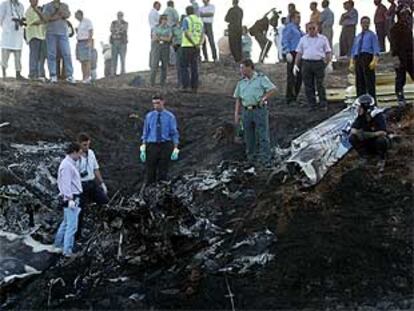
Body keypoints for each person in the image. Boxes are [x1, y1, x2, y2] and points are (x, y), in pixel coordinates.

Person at [233, 59, 277, 166]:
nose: (241, 70)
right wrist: (236, 114)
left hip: (259, 110)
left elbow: (273, 89)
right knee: (248, 135)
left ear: (249, 67)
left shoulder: (261, 79)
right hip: (246, 111)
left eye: (243, 67)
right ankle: (251, 157)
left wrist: (264, 98)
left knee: (263, 134)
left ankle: (265, 158)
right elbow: (238, 99)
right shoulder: (241, 82)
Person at [140, 95, 180, 184]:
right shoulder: (149, 116)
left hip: (164, 145)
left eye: (158, 103)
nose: (156, 105)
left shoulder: (170, 116)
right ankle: (150, 189)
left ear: (163, 102)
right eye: (154, 103)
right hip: (152, 145)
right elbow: (145, 132)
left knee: (163, 169)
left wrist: (176, 148)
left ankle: (161, 189)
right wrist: (143, 147)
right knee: (150, 170)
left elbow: (174, 132)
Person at [75, 133, 108, 238]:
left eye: (88, 144)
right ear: (79, 144)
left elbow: (96, 168)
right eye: (84, 145)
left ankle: (104, 226)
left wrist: (102, 183)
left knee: (105, 201)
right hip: (80, 185)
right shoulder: (75, 156)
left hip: (91, 182)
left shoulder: (91, 153)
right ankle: (77, 235)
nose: (87, 147)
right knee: (79, 211)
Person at [294, 21, 332, 111]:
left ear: (317, 28)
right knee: (308, 85)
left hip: (319, 63)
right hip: (306, 63)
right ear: (307, 29)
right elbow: (299, 53)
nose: (311, 30)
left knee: (320, 84)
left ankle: (323, 104)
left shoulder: (323, 39)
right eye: (309, 29)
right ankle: (312, 105)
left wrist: (328, 63)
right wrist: (296, 64)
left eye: (313, 28)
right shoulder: (303, 39)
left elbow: (328, 52)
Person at [54, 142, 83, 258]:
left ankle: (58, 245)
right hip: (72, 197)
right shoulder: (66, 165)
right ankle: (67, 251)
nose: (80, 156)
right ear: (74, 152)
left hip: (71, 196)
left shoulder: (68, 164)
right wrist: (70, 198)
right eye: (79, 153)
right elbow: (66, 183)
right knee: (72, 225)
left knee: (66, 223)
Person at [349, 94, 389, 172]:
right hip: (367, 143)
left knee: (381, 140)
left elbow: (383, 132)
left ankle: (381, 159)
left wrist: (367, 135)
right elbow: (353, 129)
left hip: (376, 143)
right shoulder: (361, 116)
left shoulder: (378, 116)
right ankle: (364, 156)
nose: (357, 109)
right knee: (352, 138)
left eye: (359, 107)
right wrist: (358, 133)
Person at [41, 0, 74, 83]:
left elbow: (68, 14)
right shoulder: (47, 6)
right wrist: (57, 16)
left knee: (67, 53)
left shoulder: (64, 5)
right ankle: (53, 75)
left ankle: (70, 75)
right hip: (51, 33)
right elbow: (45, 18)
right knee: (51, 54)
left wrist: (58, 15)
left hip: (63, 33)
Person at [349, 16, 380, 101]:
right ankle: (360, 102)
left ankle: (372, 101)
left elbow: (376, 48)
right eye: (363, 22)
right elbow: (353, 50)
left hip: (367, 57)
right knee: (359, 81)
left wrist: (374, 60)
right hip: (358, 58)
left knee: (369, 82)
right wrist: (351, 62)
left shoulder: (372, 35)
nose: (365, 24)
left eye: (367, 22)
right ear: (361, 24)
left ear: (369, 24)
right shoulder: (358, 36)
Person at [389, 5, 414, 106]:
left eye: (407, 14)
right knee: (400, 78)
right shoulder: (394, 28)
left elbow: (411, 43)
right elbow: (393, 45)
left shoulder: (408, 27)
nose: (406, 16)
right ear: (399, 15)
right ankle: (400, 98)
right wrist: (395, 58)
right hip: (400, 57)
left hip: (410, 56)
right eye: (403, 14)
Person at [282, 11, 304, 105]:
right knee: (291, 75)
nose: (299, 19)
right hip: (292, 52)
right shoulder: (289, 28)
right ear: (292, 18)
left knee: (299, 76)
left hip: (300, 53)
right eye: (297, 17)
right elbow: (285, 40)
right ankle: (290, 97)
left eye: (299, 17)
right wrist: (287, 52)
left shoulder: (299, 29)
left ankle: (295, 96)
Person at [181, 5, 203, 93]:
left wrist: (193, 42)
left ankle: (185, 86)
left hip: (187, 45)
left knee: (184, 66)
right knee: (194, 66)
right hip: (197, 46)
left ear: (186, 12)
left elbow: (186, 32)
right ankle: (194, 86)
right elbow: (202, 34)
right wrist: (199, 44)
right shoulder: (199, 20)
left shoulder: (186, 19)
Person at [0, 0, 25, 79]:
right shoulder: (4, 4)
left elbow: (21, 17)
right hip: (8, 34)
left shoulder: (21, 5)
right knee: (5, 56)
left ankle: (18, 73)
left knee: (18, 56)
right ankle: (4, 74)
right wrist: (6, 26)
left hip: (17, 34)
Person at [25, 0, 46, 81]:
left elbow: (44, 19)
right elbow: (37, 22)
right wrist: (43, 20)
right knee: (34, 55)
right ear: (30, 1)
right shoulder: (29, 11)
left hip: (40, 35)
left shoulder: (38, 9)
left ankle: (37, 74)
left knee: (39, 57)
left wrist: (38, 12)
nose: (36, 1)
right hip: (33, 35)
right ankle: (32, 74)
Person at [150, 14, 172, 87]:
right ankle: (152, 82)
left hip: (165, 47)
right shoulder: (156, 27)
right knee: (154, 65)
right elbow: (153, 38)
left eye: (166, 19)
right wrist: (163, 37)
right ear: (160, 20)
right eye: (163, 19)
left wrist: (160, 37)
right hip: (156, 47)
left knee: (164, 65)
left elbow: (169, 39)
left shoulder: (169, 28)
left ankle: (163, 83)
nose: (164, 21)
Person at [75, 10, 93, 83]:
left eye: (76, 15)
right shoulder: (80, 23)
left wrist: (89, 41)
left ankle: (88, 77)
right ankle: (84, 77)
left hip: (85, 41)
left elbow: (91, 31)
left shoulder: (87, 21)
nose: (75, 17)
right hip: (79, 42)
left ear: (80, 14)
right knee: (82, 60)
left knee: (87, 60)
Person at [110, 11, 128, 76]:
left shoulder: (125, 23)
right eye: (118, 15)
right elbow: (111, 29)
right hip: (114, 41)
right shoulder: (113, 22)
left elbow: (123, 30)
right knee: (114, 57)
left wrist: (116, 30)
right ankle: (113, 72)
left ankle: (122, 71)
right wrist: (117, 30)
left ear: (122, 16)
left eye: (120, 15)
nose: (119, 16)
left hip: (122, 42)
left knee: (122, 57)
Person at [172, 18, 183, 87]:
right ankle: (180, 82)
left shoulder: (185, 28)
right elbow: (172, 37)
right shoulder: (174, 28)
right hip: (178, 47)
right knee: (179, 65)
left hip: (186, 47)